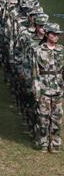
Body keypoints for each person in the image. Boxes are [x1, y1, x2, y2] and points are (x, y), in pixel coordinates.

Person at [31, 22, 63, 153]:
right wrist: (36, 90)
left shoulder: (61, 50)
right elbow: (35, 72)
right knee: (43, 118)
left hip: (58, 89)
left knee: (57, 118)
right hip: (43, 88)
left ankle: (54, 145)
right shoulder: (38, 51)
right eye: (53, 34)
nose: (56, 36)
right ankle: (43, 143)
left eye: (58, 34)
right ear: (47, 34)